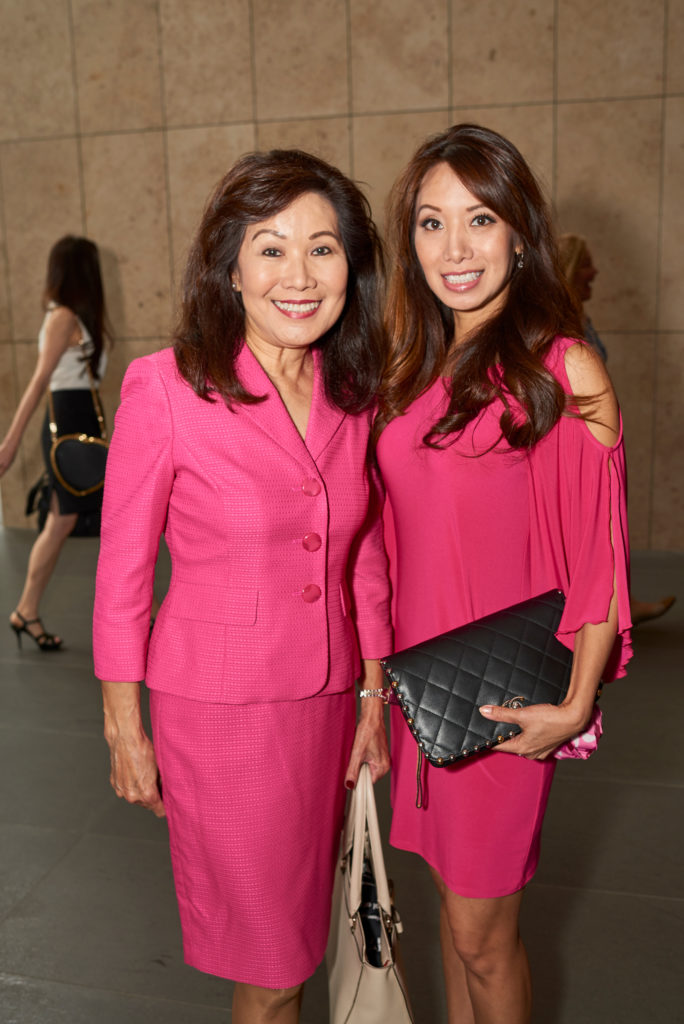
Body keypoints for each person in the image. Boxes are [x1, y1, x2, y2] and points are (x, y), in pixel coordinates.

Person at [92, 150, 392, 1024]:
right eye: (271, 248)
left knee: (301, 944)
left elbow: (363, 553)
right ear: (229, 267)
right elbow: (122, 575)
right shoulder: (168, 387)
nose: (298, 275)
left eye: (323, 248)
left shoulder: (354, 391)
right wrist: (122, 724)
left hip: (330, 703)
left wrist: (374, 688)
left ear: (351, 266)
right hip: (221, 716)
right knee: (270, 963)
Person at [375, 125, 631, 1023]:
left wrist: (576, 702)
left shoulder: (563, 370)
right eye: (432, 223)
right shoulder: (411, 368)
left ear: (519, 232)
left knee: (486, 938)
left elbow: (600, 558)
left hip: (503, 700)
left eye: (479, 220)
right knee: (451, 920)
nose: (455, 249)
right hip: (423, 695)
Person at [558, 232, 676, 628]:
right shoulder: (559, 326)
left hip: (596, 437)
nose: (595, 271)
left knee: (608, 523)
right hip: (572, 444)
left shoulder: (581, 319)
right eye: (587, 262)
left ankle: (619, 607)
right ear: (571, 269)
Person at [0, 235, 109, 651]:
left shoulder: (74, 316)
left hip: (82, 421)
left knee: (68, 521)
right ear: (84, 271)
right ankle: (144, 609)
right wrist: (11, 443)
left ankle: (26, 610)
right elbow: (38, 382)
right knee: (81, 520)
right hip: (67, 427)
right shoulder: (64, 316)